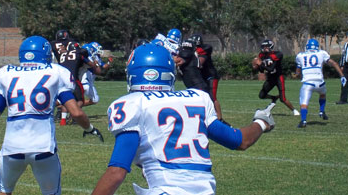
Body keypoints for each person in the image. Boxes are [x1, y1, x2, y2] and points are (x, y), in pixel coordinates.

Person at [91, 43, 275, 195]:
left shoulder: (132, 104)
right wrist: (261, 122)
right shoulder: (197, 98)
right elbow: (240, 140)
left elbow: (117, 172)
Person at [0, 35, 104, 195]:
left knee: (4, 191)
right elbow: (76, 112)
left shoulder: (6, 74)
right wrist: (89, 128)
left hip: (12, 148)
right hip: (43, 148)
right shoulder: (56, 72)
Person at [51, 29, 100, 125]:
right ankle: (73, 117)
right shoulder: (79, 54)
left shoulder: (56, 48)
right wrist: (95, 63)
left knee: (64, 98)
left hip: (58, 74)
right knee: (79, 100)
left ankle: (62, 119)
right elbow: (95, 68)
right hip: (72, 78)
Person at [294, 39, 346, 128]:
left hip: (308, 83)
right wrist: (342, 76)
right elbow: (334, 63)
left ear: (307, 47)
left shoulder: (300, 55)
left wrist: (296, 75)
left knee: (304, 103)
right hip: (320, 82)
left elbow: (298, 72)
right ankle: (321, 111)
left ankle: (303, 121)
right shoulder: (321, 53)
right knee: (322, 94)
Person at [252, 39, 300, 116]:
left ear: (271, 46)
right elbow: (262, 71)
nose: (264, 48)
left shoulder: (278, 54)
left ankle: (294, 110)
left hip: (278, 77)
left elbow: (271, 68)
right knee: (262, 95)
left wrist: (261, 64)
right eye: (263, 46)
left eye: (266, 46)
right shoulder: (261, 55)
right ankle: (274, 98)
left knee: (282, 99)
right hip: (270, 78)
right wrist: (256, 66)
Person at [188, 33, 226, 121]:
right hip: (203, 77)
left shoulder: (204, 49)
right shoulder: (193, 51)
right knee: (203, 95)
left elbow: (200, 61)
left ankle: (219, 117)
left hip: (211, 76)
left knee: (212, 97)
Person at [81, 42, 113, 107]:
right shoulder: (87, 58)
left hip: (90, 82)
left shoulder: (96, 57)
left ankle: (68, 108)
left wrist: (109, 62)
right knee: (94, 99)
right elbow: (98, 71)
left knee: (94, 99)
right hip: (85, 81)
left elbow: (103, 66)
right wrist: (96, 64)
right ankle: (69, 108)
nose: (99, 51)